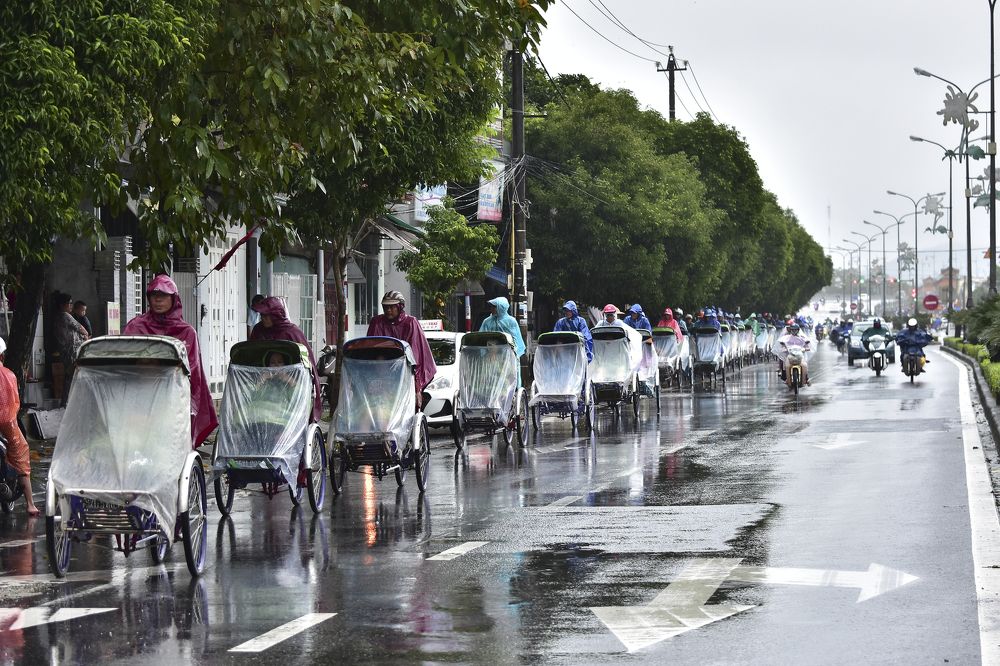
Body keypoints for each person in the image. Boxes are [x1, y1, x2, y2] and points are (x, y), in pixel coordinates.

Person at [123, 275, 218, 448]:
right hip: (139, 397)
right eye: (154, 295)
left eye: (164, 296)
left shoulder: (187, 332)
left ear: (173, 299)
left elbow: (192, 373)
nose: (158, 300)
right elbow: (124, 364)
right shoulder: (135, 326)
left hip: (172, 399)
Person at [250, 296, 323, 421]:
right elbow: (251, 356)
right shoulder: (258, 330)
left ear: (276, 315)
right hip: (265, 389)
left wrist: (287, 378)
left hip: (288, 390)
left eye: (266, 316)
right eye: (261, 315)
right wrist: (261, 378)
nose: (263, 318)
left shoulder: (292, 332)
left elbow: (307, 364)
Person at [367, 290, 437, 407]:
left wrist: (416, 386)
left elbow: (416, 355)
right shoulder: (377, 322)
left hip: (405, 371)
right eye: (386, 307)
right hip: (380, 372)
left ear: (400, 307)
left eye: (392, 307)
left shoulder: (410, 323)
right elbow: (369, 349)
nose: (388, 310)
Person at [0, 339, 39, 515]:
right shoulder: (10, 375)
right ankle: (30, 504)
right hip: (8, 424)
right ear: (2, 355)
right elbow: (14, 404)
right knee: (22, 455)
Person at [53, 292, 88, 404]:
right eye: (70, 303)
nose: (71, 306)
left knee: (70, 377)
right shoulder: (65, 316)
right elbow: (82, 329)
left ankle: (66, 402)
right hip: (73, 352)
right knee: (74, 377)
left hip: (66, 352)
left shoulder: (57, 317)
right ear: (63, 304)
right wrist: (85, 336)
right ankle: (69, 402)